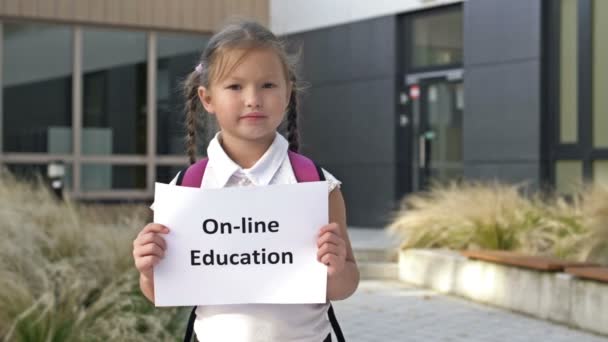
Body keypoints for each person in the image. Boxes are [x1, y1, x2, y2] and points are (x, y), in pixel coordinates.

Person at [132, 20, 359, 342]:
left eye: (267, 85)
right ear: (207, 98)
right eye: (235, 87)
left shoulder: (317, 184)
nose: (253, 99)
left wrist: (336, 268)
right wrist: (147, 269)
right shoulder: (187, 188)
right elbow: (159, 292)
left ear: (288, 92)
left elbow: (345, 285)